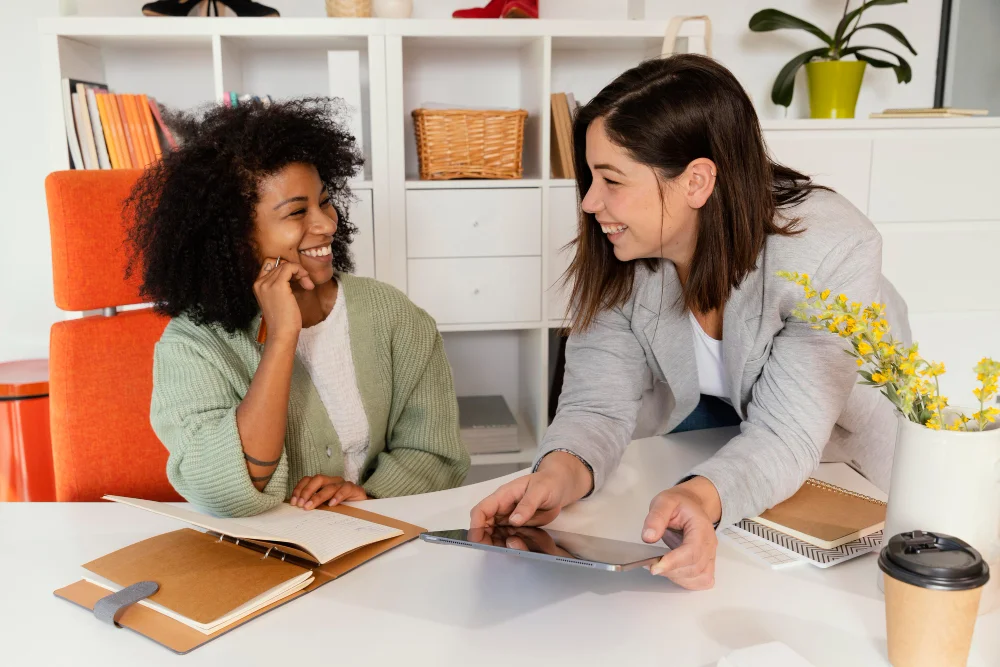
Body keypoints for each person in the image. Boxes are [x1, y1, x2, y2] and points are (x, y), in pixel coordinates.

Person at [471, 54, 910, 590]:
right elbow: (596, 405)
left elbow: (786, 433)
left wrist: (699, 495)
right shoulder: (627, 251)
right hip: (720, 440)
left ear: (697, 181)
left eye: (611, 180)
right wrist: (553, 476)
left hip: (840, 472)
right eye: (589, 178)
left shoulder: (830, 249)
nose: (589, 203)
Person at [126, 98, 469, 518]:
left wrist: (371, 496)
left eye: (324, 201)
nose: (326, 223)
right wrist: (282, 337)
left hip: (381, 544)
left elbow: (437, 453)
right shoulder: (191, 346)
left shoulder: (392, 314)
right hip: (263, 563)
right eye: (297, 212)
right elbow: (219, 492)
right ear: (235, 235)